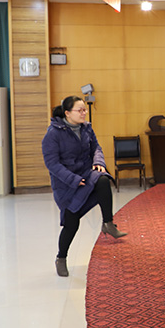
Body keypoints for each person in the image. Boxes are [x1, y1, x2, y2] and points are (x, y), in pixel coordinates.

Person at [42, 95, 128, 277]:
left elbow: (96, 148)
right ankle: (61, 258)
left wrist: (98, 162)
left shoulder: (86, 128)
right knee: (71, 224)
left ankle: (108, 223)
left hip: (86, 174)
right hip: (66, 184)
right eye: (80, 110)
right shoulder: (53, 134)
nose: (84, 113)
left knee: (103, 180)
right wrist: (72, 179)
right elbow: (52, 164)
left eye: (84, 110)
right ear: (67, 113)